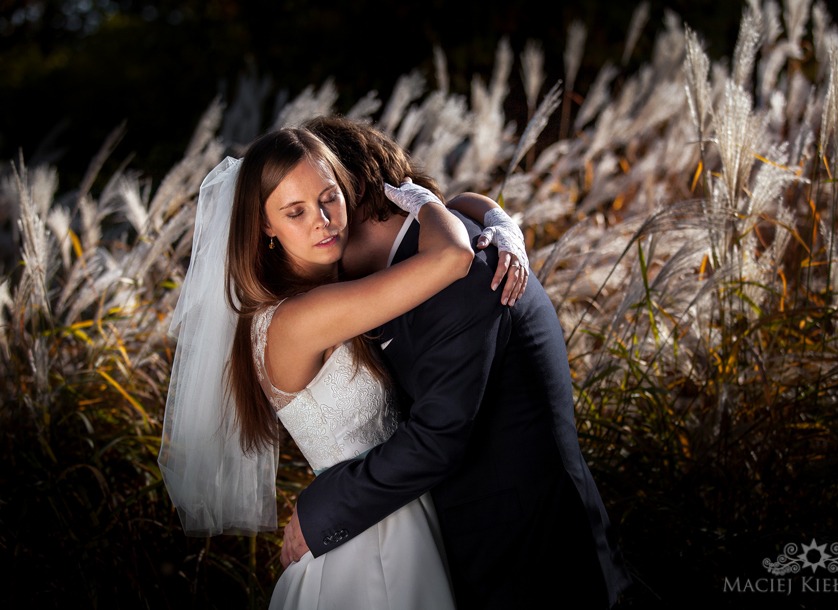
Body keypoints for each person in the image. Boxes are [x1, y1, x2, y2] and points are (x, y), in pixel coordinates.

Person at [158, 126, 528, 608]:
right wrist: (420, 198)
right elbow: (455, 256)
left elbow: (463, 209)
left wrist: (501, 223)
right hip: (369, 536)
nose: (323, 221)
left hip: (389, 509)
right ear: (265, 226)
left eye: (329, 198)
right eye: (295, 212)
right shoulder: (300, 318)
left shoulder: (325, 290)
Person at [280, 115, 631, 608]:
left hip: (530, 559)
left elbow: (437, 438)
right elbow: (463, 201)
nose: (321, 227)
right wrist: (493, 213)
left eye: (325, 200)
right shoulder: (424, 258)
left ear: (352, 194)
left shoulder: (460, 277)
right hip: (479, 549)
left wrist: (320, 511)